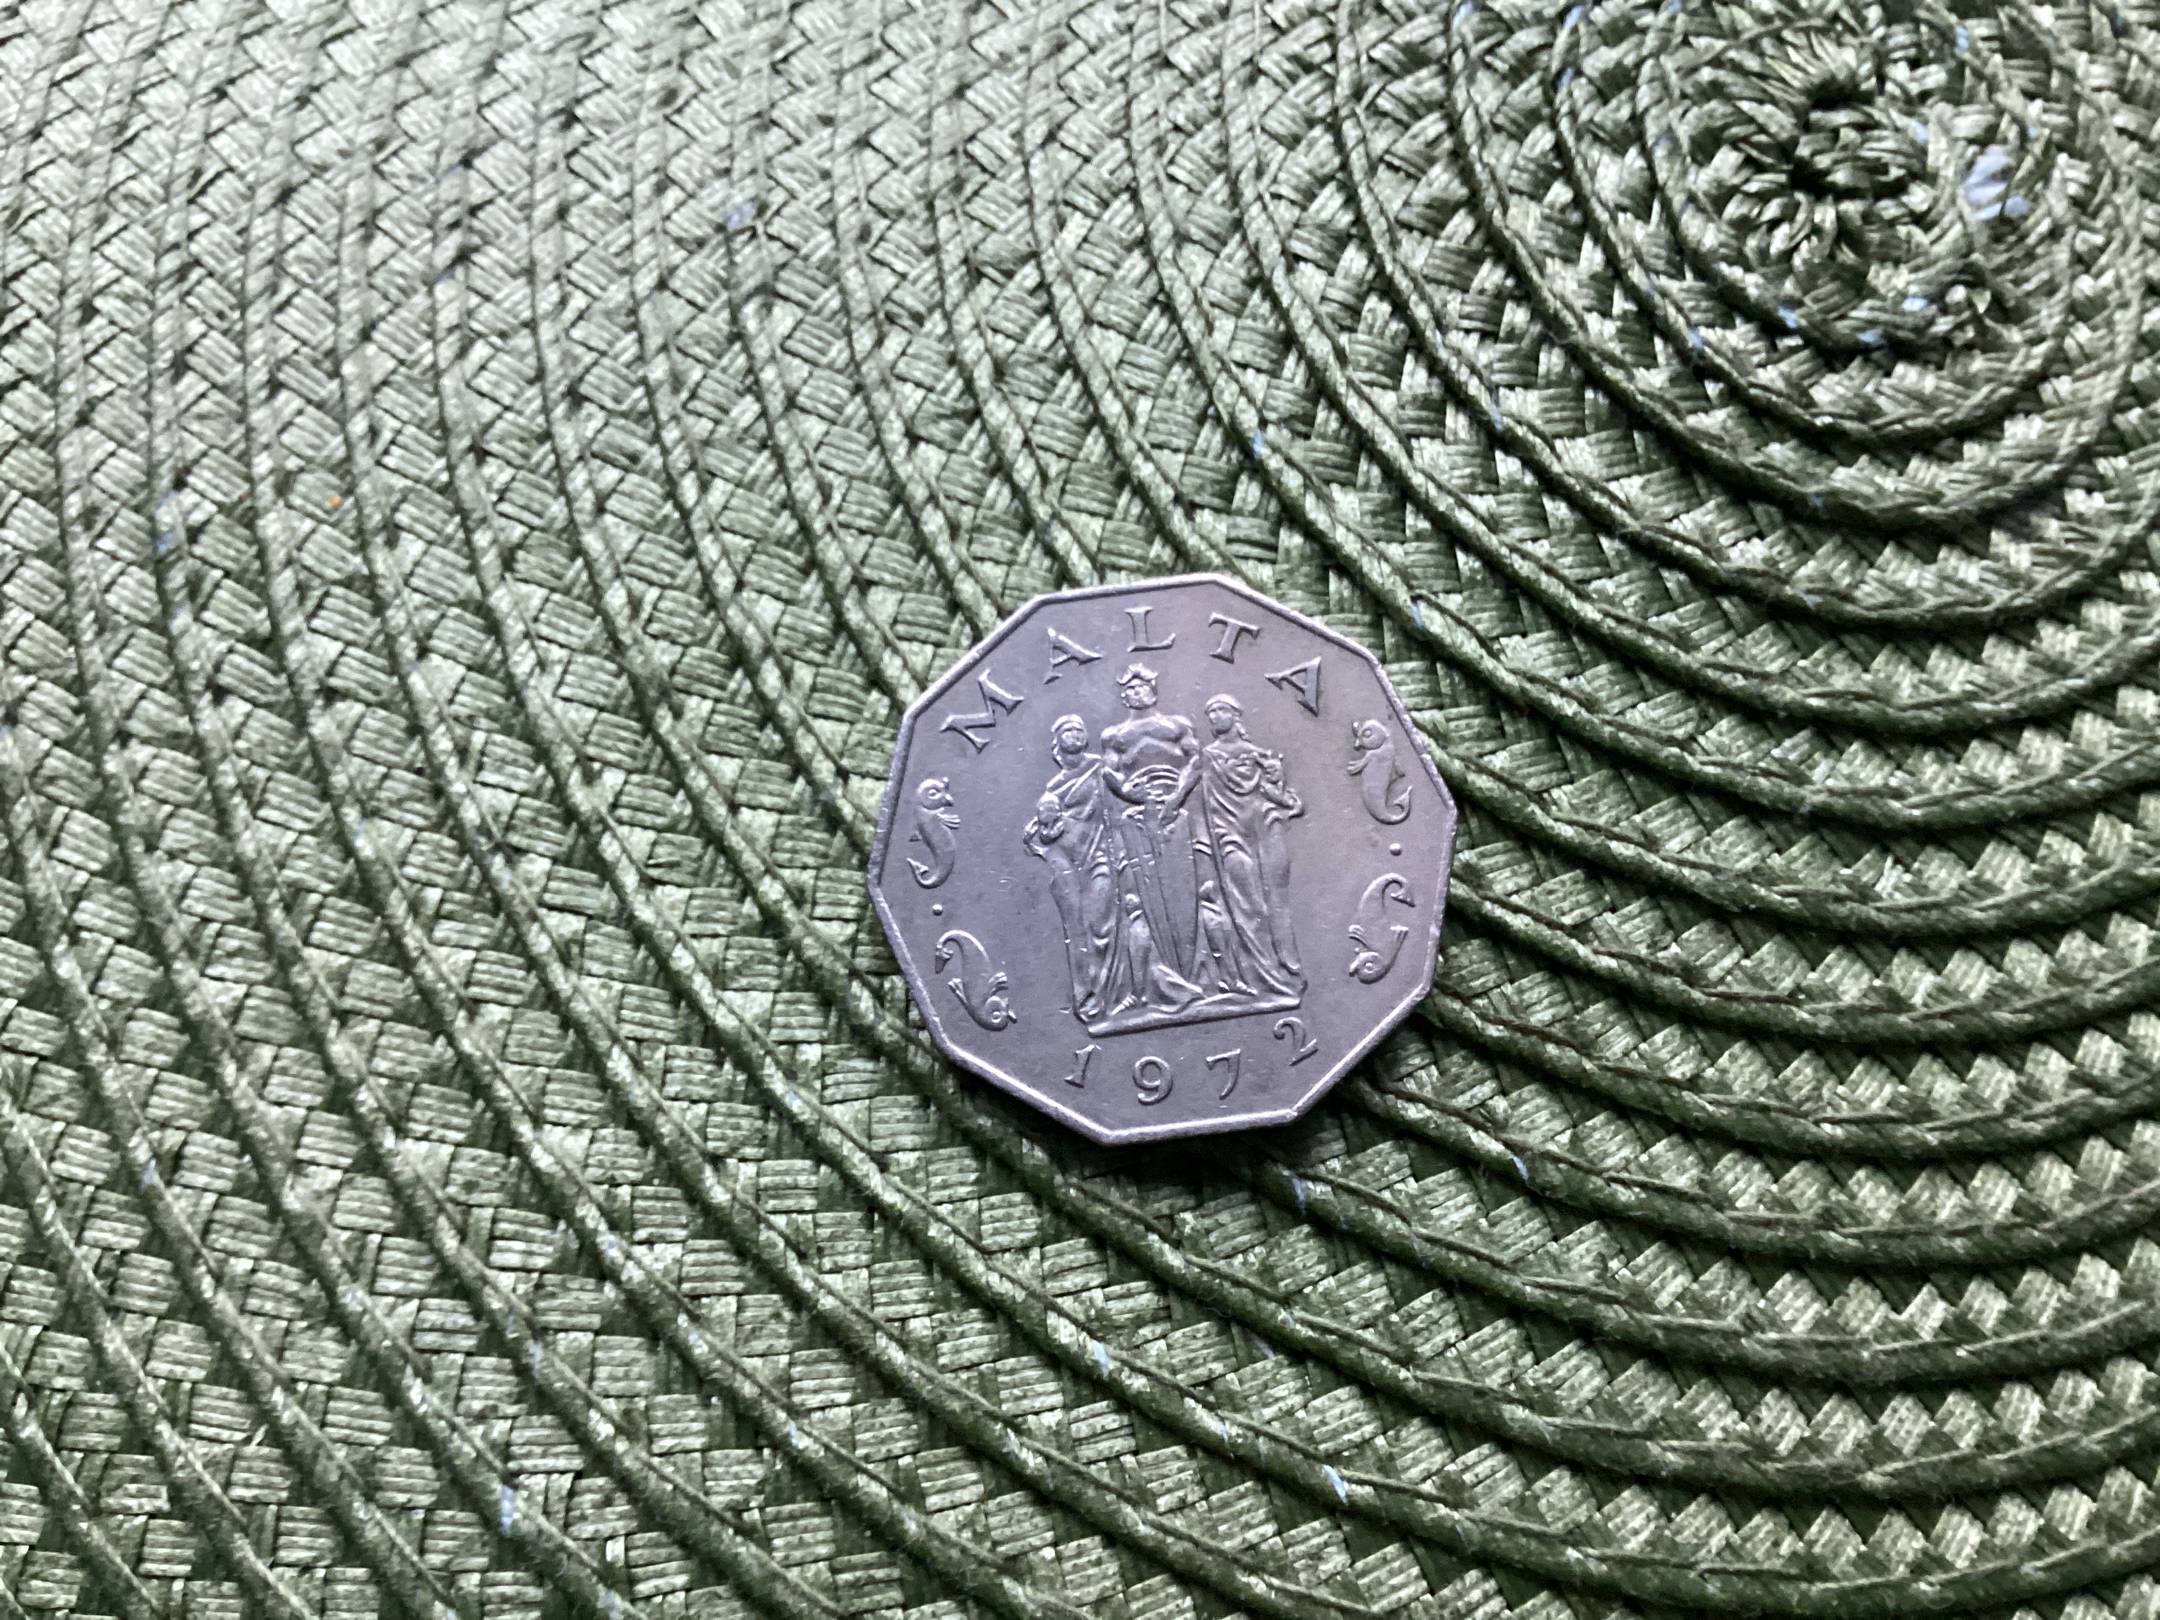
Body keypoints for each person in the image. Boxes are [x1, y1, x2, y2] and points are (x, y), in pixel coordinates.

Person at [1194, 693, 1305, 999]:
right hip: (1229, 836)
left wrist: (1287, 799)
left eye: (1220, 710)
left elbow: (1271, 791)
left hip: (1264, 828)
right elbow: (1191, 793)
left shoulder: (1257, 755)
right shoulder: (1207, 757)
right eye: (1210, 712)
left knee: (1276, 899)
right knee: (1249, 903)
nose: (1214, 716)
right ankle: (1263, 975)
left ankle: (1286, 963)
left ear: (1235, 716)